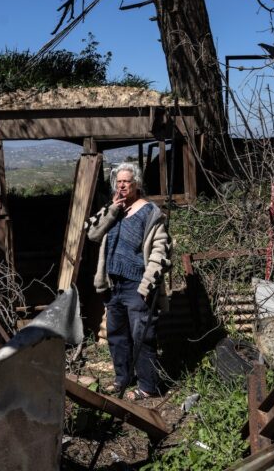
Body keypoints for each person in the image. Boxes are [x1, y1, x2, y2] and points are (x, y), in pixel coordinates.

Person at [85, 162, 171, 400]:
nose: (122, 186)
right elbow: (92, 234)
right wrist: (112, 210)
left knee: (142, 335)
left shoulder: (150, 212)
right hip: (114, 284)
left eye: (126, 182)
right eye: (119, 182)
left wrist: (147, 284)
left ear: (137, 184)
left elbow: (160, 252)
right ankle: (122, 379)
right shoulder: (113, 210)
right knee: (116, 335)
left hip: (137, 285)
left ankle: (148, 386)